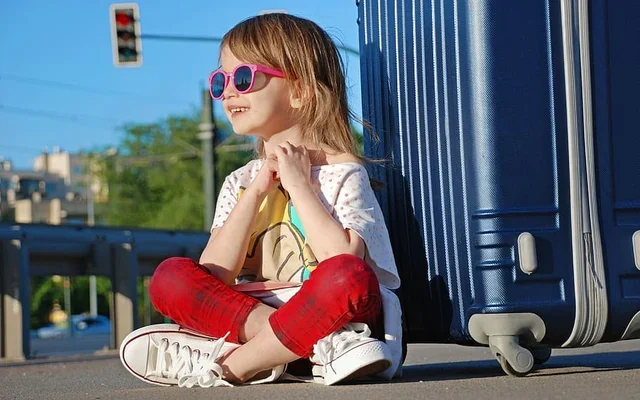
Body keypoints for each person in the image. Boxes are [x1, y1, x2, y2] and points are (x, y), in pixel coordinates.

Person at [119, 13, 402, 388]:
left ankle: (230, 365)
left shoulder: (342, 172)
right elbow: (216, 273)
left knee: (348, 277)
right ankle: (293, 349)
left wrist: (299, 186)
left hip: (343, 320)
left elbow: (342, 262)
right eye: (220, 81)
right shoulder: (240, 182)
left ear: (300, 91)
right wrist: (254, 194)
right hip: (299, 328)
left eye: (242, 78)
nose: (227, 92)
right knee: (169, 277)